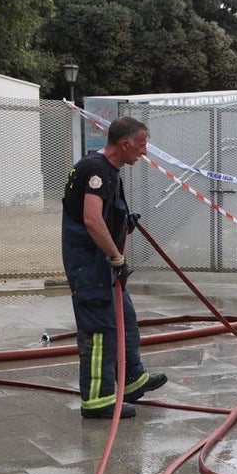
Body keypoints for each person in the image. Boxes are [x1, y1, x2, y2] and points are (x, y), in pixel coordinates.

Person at [61, 116, 167, 419]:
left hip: (101, 264)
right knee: (100, 330)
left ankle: (132, 379)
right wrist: (116, 258)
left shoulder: (107, 169)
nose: (144, 152)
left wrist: (122, 222)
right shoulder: (96, 171)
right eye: (142, 145)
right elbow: (92, 219)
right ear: (124, 144)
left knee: (125, 318)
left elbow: (102, 215)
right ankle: (98, 400)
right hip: (90, 266)